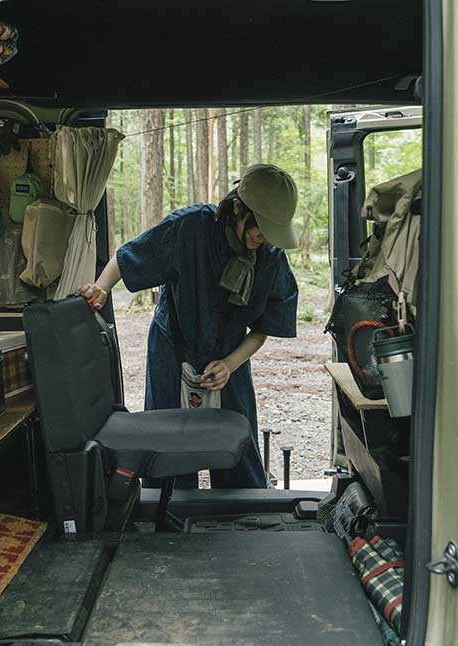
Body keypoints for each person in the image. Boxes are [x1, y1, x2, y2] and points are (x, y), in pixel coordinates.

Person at [79, 163, 300, 489]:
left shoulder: (271, 256)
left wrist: (230, 364)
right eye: (260, 228)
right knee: (167, 445)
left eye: (271, 231)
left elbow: (264, 327)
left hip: (230, 355)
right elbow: (128, 257)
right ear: (239, 209)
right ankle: (167, 515)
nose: (264, 238)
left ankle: (241, 514)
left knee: (239, 443)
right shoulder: (191, 227)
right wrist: (101, 287)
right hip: (173, 347)